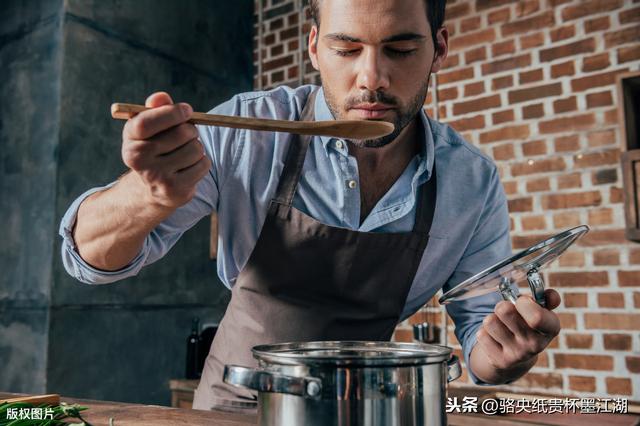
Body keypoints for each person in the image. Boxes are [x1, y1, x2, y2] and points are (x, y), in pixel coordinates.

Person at [59, 0, 562, 412]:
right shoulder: (245, 131)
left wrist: (505, 354)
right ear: (315, 48)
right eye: (347, 49)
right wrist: (147, 194)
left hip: (367, 411)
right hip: (234, 409)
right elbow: (88, 260)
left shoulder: (470, 182)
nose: (372, 79)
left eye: (401, 49)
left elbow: (481, 339)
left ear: (439, 49)